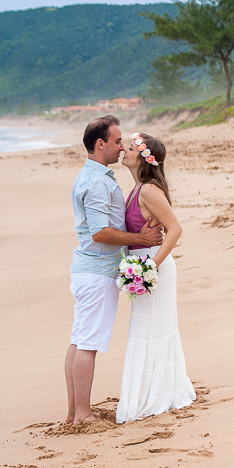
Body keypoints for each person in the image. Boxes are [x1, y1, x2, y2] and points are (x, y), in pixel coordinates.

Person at [65, 116, 162, 424]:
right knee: (88, 343)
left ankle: (73, 413)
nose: (122, 147)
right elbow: (100, 232)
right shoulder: (95, 182)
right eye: (118, 141)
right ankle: (82, 414)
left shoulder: (94, 176)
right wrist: (141, 238)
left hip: (88, 269)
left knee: (80, 339)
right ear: (100, 144)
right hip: (97, 272)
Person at [115, 132, 196, 423]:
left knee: (152, 331)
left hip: (153, 267)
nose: (124, 149)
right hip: (143, 266)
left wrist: (150, 267)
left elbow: (175, 229)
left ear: (146, 157)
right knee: (144, 332)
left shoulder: (149, 190)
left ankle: (156, 395)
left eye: (132, 147)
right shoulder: (137, 189)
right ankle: (150, 392)